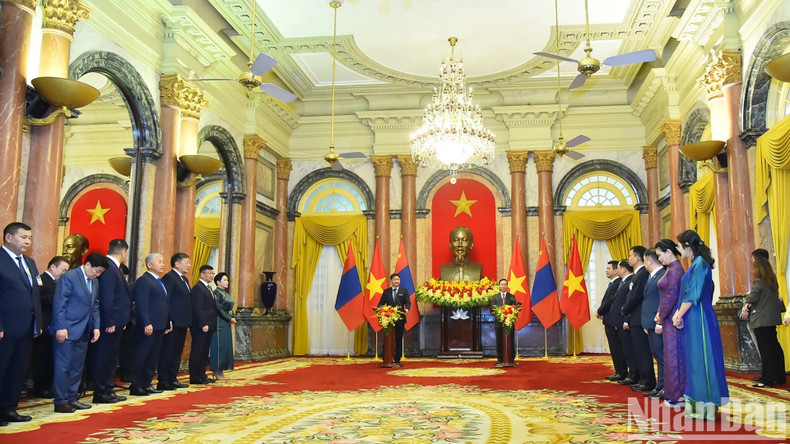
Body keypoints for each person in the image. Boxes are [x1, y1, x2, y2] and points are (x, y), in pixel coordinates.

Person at [671, 229, 729, 420]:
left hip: (699, 318)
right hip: (694, 317)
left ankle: (706, 407)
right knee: (694, 360)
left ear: (688, 246)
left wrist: (678, 314)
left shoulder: (700, 264)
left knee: (701, 360)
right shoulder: (696, 264)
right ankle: (700, 405)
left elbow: (693, 294)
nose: (679, 250)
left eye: (680, 246)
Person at [51, 252, 108, 413]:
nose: (97, 274)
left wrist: (96, 327)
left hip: (84, 329)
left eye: (100, 272)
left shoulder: (94, 281)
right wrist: (60, 327)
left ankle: (72, 398)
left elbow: (95, 305)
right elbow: (60, 303)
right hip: (67, 329)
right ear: (87, 265)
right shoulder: (70, 277)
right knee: (64, 366)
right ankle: (61, 401)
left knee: (77, 366)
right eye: (96, 270)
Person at [0, 222, 42, 425]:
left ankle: (9, 408)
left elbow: (35, 294)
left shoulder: (30, 263)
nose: (28, 241)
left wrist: (38, 323)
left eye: (30, 238)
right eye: (23, 237)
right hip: (5, 327)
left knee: (18, 370)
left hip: (26, 327)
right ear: (8, 238)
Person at [91, 240, 131, 404]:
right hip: (109, 324)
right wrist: (109, 321)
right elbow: (106, 297)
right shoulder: (108, 267)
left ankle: (108, 388)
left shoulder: (113, 267)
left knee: (111, 358)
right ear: (123, 252)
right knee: (104, 357)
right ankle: (101, 391)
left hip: (116, 322)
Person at [740, 257, 785, 388]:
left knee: (765, 351)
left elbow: (751, 298)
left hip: (762, 320)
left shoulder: (759, 282)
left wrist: (748, 296)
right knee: (774, 349)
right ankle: (779, 376)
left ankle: (767, 379)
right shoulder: (772, 280)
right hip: (772, 320)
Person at [129, 253, 171, 396]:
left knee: (153, 357)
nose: (162, 264)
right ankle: (136, 385)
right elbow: (142, 304)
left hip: (160, 325)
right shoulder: (144, 280)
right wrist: (147, 322)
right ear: (149, 264)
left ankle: (146, 383)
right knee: (142, 355)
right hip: (148, 326)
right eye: (159, 261)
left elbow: (164, 304)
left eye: (163, 261)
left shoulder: (159, 281)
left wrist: (167, 322)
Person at [30, 256, 69, 399]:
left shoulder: (59, 282)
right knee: (41, 357)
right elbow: (38, 299)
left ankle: (48, 386)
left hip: (55, 325)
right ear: (53, 267)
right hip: (45, 324)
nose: (64, 273)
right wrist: (58, 297)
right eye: (62, 269)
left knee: (51, 358)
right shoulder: (42, 280)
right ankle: (40, 387)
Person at [654, 239, 686, 406]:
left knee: (675, 358)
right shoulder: (671, 269)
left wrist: (661, 315)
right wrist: (660, 313)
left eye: (660, 255)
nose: (659, 259)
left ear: (668, 252)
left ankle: (677, 396)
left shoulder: (675, 271)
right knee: (670, 357)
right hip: (668, 319)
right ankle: (673, 394)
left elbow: (672, 296)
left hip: (673, 319)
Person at [621, 246, 654, 393]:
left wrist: (625, 310)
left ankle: (647, 381)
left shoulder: (642, 274)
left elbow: (636, 296)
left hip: (639, 317)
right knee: (638, 351)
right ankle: (643, 379)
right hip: (634, 318)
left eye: (631, 256)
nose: (629, 259)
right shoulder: (638, 274)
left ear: (638, 258)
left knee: (643, 351)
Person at [158, 253, 193, 390]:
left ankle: (173, 378)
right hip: (173, 322)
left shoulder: (184, 279)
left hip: (183, 322)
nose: (189, 265)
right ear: (177, 264)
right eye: (186, 262)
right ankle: (164, 380)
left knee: (177, 352)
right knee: (168, 351)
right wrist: (169, 319)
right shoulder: (169, 277)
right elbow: (167, 300)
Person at [607, 259, 639, 386]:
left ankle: (633, 375)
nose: (617, 270)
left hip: (625, 321)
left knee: (629, 350)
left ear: (624, 269)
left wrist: (625, 319)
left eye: (618, 268)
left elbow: (629, 301)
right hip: (618, 320)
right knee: (625, 349)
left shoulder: (630, 281)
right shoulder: (623, 282)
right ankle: (630, 374)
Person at [640, 248, 666, 399]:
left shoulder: (663, 275)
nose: (644, 264)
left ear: (649, 261)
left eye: (644, 261)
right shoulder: (653, 276)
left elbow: (663, 300)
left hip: (657, 323)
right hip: (650, 323)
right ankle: (659, 385)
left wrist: (660, 322)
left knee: (662, 357)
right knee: (658, 356)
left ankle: (664, 386)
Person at [596, 260, 626, 381]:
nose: (606, 271)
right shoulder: (613, 283)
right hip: (609, 320)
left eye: (609, 268)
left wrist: (599, 311)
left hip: (615, 321)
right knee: (614, 348)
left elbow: (610, 302)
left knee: (617, 348)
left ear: (615, 270)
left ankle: (621, 372)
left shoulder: (618, 283)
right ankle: (618, 371)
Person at [190, 265, 217, 384]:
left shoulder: (208, 288)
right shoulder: (198, 288)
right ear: (202, 274)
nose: (211, 275)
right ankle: (195, 376)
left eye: (213, 273)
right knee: (198, 350)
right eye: (209, 273)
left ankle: (202, 375)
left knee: (204, 352)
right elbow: (198, 308)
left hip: (209, 325)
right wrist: (203, 323)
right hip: (201, 326)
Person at [377, 273, 411, 367]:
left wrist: (407, 308)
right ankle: (386, 358)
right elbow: (380, 303)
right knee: (387, 338)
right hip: (388, 318)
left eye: (398, 280)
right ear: (391, 281)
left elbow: (408, 302)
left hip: (400, 318)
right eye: (395, 279)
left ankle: (397, 360)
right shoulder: (386, 291)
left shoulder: (404, 291)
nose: (396, 281)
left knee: (398, 339)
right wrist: (380, 310)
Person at [210, 272, 236, 380]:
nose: (227, 282)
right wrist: (229, 318)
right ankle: (216, 370)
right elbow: (218, 308)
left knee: (226, 347)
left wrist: (232, 316)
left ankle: (222, 370)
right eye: (225, 280)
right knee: (219, 347)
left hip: (226, 323)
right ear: (218, 282)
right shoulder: (216, 293)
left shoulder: (226, 293)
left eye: (227, 280)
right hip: (219, 322)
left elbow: (230, 307)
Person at [491, 278, 516, 366]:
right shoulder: (495, 297)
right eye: (502, 284)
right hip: (499, 322)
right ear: (499, 286)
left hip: (509, 323)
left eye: (505, 284)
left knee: (511, 339)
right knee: (499, 340)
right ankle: (500, 358)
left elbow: (515, 308)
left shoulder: (512, 296)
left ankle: (511, 358)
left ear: (507, 286)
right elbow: (492, 309)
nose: (504, 286)